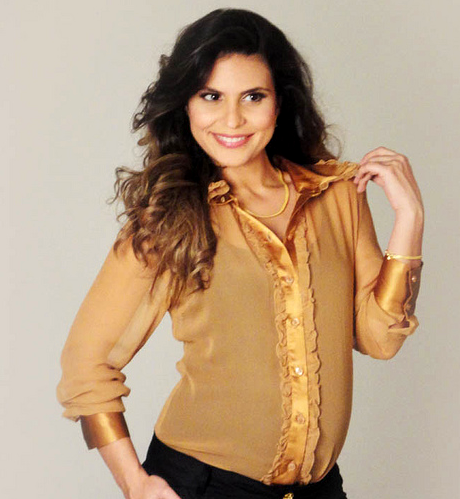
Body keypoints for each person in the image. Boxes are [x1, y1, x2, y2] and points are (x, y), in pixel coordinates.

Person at [57, 8, 424, 499]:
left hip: (319, 489)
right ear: (186, 105)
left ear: (279, 102)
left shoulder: (337, 196)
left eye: (253, 96)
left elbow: (379, 340)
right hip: (202, 485)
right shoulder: (169, 218)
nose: (232, 120)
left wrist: (409, 220)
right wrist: (135, 484)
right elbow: (86, 363)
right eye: (211, 96)